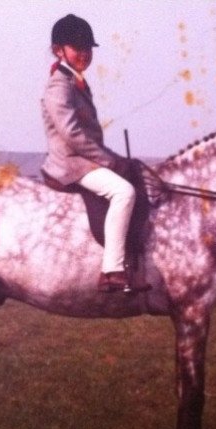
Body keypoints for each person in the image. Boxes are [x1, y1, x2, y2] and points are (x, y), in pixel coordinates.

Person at [41, 14, 139, 293]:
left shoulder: (76, 82)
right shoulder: (59, 86)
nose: (84, 54)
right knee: (123, 192)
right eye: (77, 48)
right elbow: (72, 135)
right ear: (58, 50)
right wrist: (108, 160)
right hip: (69, 163)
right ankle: (112, 269)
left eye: (88, 48)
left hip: (83, 159)